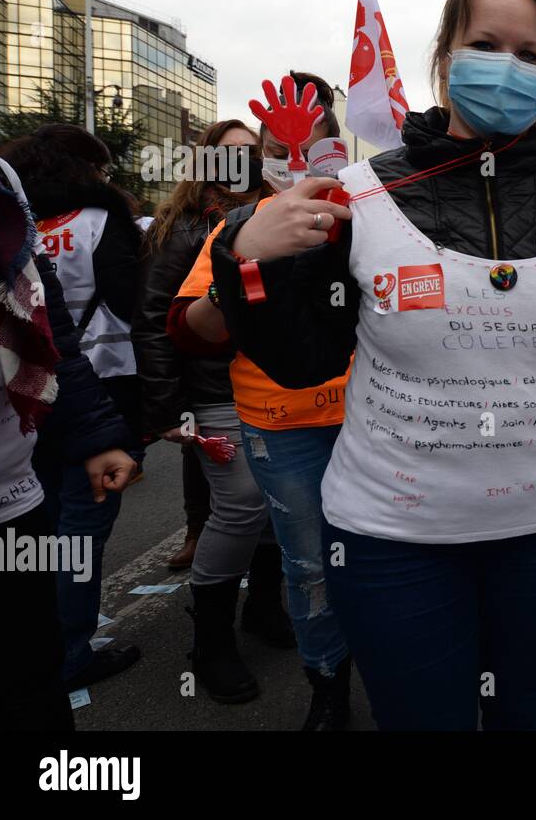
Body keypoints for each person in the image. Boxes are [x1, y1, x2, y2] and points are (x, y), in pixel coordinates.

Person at [208, 0, 536, 730]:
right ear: (444, 59)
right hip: (395, 539)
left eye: (531, 55)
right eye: (487, 43)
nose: (510, 66)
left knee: (527, 706)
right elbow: (304, 363)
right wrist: (249, 258)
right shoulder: (360, 196)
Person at [167, 75, 355, 728]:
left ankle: (395, 667)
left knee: (392, 557)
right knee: (310, 565)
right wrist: (241, 263)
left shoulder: (369, 215)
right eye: (280, 146)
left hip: (375, 423)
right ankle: (327, 682)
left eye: (313, 143)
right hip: (284, 428)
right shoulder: (237, 225)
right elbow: (191, 330)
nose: (297, 158)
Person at [134, 118, 296, 707]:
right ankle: (209, 642)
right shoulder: (180, 229)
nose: (240, 163)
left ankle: (263, 607)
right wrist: (169, 408)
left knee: (281, 499)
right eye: (227, 155)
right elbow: (154, 322)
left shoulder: (282, 210)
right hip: (215, 391)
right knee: (241, 504)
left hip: (282, 389)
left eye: (249, 153)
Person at [0, 152, 137, 729]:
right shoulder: (106, 220)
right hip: (110, 383)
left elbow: (49, 334)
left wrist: (93, 434)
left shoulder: (1, 183)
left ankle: (69, 652)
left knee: (27, 675)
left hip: (9, 491)